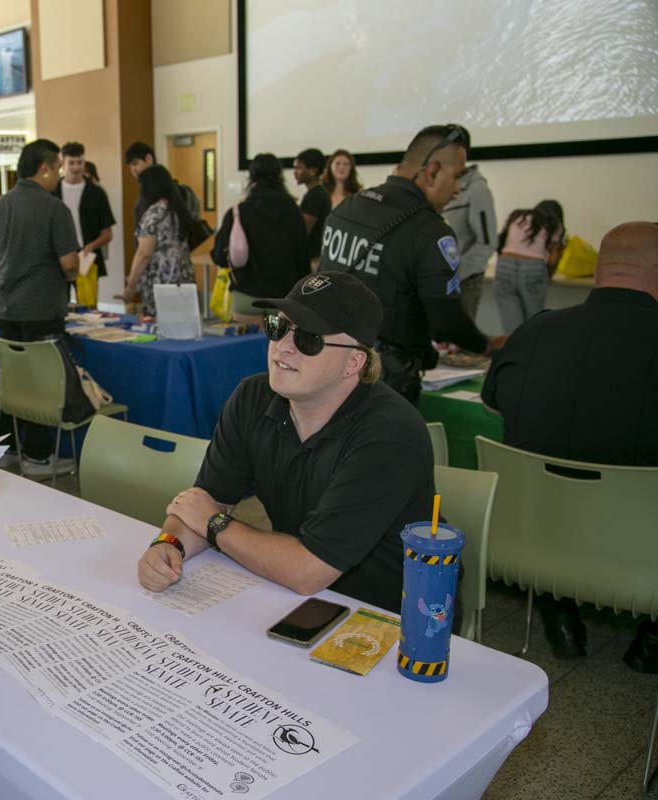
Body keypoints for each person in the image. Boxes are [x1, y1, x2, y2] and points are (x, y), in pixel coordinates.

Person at [137, 272, 435, 614]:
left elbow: (308, 570)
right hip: (293, 598)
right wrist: (169, 544)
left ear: (354, 362)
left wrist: (216, 525)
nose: (283, 346)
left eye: (309, 338)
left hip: (389, 619)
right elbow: (203, 504)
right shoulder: (253, 398)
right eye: (278, 326)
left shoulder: (390, 434)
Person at [481, 221, 658, 670]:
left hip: (531, 545)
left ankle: (559, 615)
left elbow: (494, 401)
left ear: (599, 270)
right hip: (640, 559)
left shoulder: (535, 332)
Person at [317, 124, 505, 403]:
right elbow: (446, 320)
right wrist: (485, 345)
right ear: (432, 171)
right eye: (456, 177)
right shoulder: (431, 233)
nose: (456, 189)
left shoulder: (346, 210)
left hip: (329, 364)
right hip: (385, 381)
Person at [0, 138, 80, 476]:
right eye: (56, 168)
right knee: (42, 384)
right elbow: (70, 263)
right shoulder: (54, 208)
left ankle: (13, 448)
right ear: (44, 169)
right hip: (41, 309)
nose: (58, 175)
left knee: (16, 381)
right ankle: (40, 456)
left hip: (6, 308)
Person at [212, 153, 309, 319]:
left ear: (251, 176)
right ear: (279, 176)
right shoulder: (294, 211)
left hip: (246, 298)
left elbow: (219, 257)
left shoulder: (238, 213)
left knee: (246, 346)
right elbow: (303, 258)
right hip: (285, 300)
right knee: (281, 345)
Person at [123, 165, 194, 316]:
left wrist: (131, 285)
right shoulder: (177, 209)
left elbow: (144, 253)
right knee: (182, 322)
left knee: (160, 325)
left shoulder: (155, 213)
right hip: (183, 274)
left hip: (162, 279)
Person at [442, 129, 497, 320]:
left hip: (464, 281)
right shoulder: (440, 183)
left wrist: (457, 274)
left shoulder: (477, 189)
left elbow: (487, 242)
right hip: (440, 279)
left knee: (460, 344)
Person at [53, 142, 115, 307]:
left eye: (80, 163)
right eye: (71, 163)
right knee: (58, 305)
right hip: (58, 258)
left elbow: (107, 233)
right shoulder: (53, 192)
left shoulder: (96, 193)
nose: (76, 167)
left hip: (87, 258)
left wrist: (92, 245)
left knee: (88, 308)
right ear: (63, 164)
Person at [494, 200, 565, 333]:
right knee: (533, 323)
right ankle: (531, 352)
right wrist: (547, 275)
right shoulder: (554, 224)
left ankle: (513, 352)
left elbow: (501, 244)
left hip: (505, 266)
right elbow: (553, 259)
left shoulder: (518, 217)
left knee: (512, 327)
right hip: (533, 269)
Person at [124, 141, 201, 229]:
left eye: (135, 163)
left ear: (148, 159)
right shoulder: (145, 191)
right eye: (130, 166)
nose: (133, 169)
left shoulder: (167, 191)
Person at [293, 147, 330, 263]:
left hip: (312, 260)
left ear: (313, 171)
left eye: (299, 168)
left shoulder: (315, 196)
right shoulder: (316, 193)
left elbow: (303, 230)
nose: (295, 172)